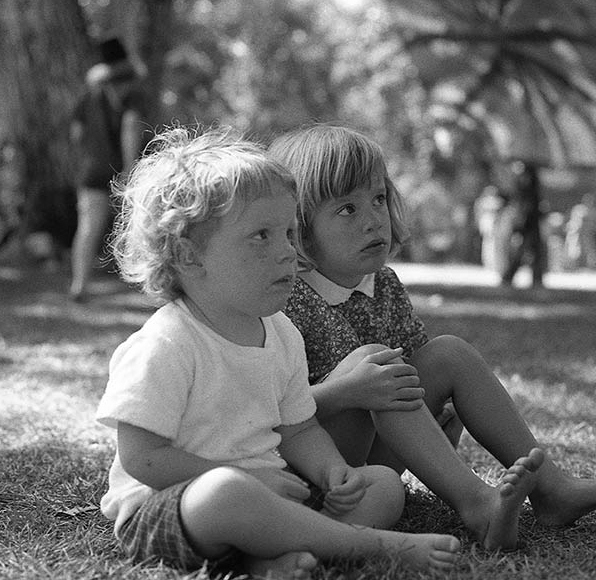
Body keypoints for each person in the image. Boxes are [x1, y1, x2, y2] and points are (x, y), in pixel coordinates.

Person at [96, 125, 464, 579]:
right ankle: (369, 545)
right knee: (225, 492)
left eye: (289, 233)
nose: (288, 252)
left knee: (383, 486)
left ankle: (276, 557)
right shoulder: (166, 344)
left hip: (273, 490)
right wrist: (247, 478)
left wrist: (332, 472)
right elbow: (143, 459)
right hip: (174, 505)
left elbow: (298, 428)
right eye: (261, 237)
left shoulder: (281, 333)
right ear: (190, 257)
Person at [268, 123, 596, 552]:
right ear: (300, 226)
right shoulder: (283, 297)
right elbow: (266, 415)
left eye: (379, 199)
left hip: (376, 459)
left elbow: (424, 376)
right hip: (314, 469)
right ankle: (480, 506)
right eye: (347, 209)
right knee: (378, 364)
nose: (373, 220)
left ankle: (552, 490)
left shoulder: (382, 283)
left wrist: (442, 409)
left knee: (448, 353)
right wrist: (345, 392)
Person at [69, 37, 146, 301]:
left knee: (88, 227)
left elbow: (76, 133)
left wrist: (88, 156)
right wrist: (128, 167)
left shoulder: (89, 93)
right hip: (117, 167)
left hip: (91, 169)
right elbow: (131, 125)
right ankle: (142, 279)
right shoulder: (131, 88)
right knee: (138, 223)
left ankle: (79, 284)